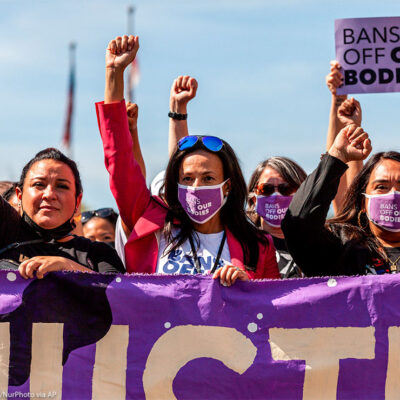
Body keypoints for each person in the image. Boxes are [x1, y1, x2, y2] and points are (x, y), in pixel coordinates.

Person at [96, 35, 280, 285]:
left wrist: (248, 286)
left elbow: (275, 310)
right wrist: (114, 73)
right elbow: (120, 164)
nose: (196, 187)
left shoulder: (257, 245)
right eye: (187, 178)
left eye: (208, 178)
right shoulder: (151, 223)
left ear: (227, 185)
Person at [279, 123, 400, 277]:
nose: (394, 194)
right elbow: (299, 223)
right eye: (381, 186)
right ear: (363, 202)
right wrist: (336, 156)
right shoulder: (341, 249)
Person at [0, 148, 125, 277]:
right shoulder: (6, 233)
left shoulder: (99, 254)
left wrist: (69, 267)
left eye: (62, 186)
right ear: (19, 195)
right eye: (39, 184)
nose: (49, 195)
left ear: (77, 201)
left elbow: (121, 293)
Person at [247, 157, 307, 278]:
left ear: (304, 195)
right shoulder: (242, 246)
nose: (276, 196)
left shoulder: (321, 247)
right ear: (254, 199)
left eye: (286, 189)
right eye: (266, 189)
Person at [326, 60, 363, 213]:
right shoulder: (358, 230)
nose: (392, 193)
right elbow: (347, 206)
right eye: (382, 186)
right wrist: (339, 98)